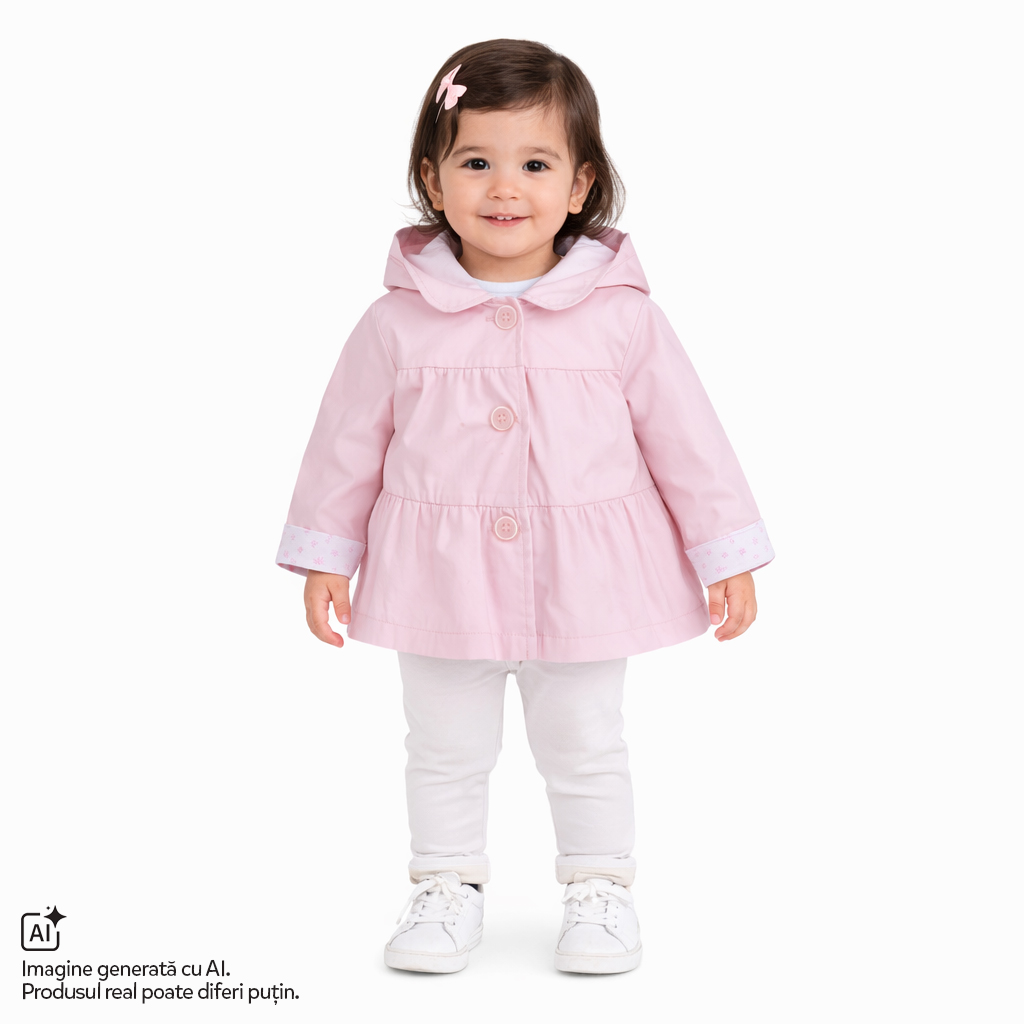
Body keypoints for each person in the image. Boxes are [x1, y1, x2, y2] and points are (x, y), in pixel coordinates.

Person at [276, 38, 774, 975]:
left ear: (581, 184)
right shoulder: (396, 322)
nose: (505, 187)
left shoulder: (623, 316)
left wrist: (726, 552)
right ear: (433, 179)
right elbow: (345, 443)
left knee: (585, 742)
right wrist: (325, 557)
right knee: (442, 746)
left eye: (536, 165)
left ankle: (599, 887)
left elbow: (688, 439)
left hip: (584, 582)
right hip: (438, 577)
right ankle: (445, 883)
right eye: (476, 162)